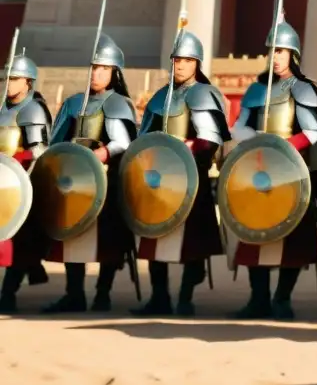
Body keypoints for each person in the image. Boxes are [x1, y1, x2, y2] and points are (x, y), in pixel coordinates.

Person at [229, 18, 317, 320]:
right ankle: (258, 299)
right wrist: (258, 140)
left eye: (281, 52)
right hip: (258, 170)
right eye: (272, 51)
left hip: (291, 173)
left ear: (293, 55)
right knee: (253, 236)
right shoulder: (257, 90)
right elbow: (239, 127)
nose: (276, 57)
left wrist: (284, 146)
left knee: (292, 242)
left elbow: (314, 132)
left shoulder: (304, 89)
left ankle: (282, 299)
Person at [132, 29, 229, 317]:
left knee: (192, 244)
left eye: (186, 60)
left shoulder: (203, 94)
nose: (180, 65)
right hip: (158, 178)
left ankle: (185, 298)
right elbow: (145, 135)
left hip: (191, 176)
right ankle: (159, 297)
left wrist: (188, 147)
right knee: (155, 237)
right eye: (176, 60)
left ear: (197, 63)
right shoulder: (161, 96)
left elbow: (210, 139)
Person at [43, 34, 138, 313]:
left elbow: (123, 142)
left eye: (104, 68)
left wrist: (100, 154)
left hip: (105, 179)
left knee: (107, 239)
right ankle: (74, 294)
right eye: (94, 67)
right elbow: (57, 141)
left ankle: (102, 294)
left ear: (114, 73)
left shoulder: (118, 103)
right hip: (73, 180)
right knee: (72, 236)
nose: (97, 73)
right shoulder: (73, 103)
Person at [0, 51, 52, 313]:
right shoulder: (2, 108)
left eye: (15, 78)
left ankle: (8, 293)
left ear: (28, 82)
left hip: (23, 184)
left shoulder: (33, 109)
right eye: (7, 77)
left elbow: (41, 150)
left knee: (20, 244)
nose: (8, 82)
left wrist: (17, 159)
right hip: (1, 183)